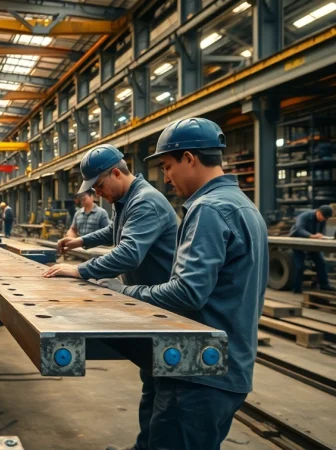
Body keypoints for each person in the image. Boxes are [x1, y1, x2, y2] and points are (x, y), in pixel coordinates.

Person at [99, 118, 269, 450]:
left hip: (198, 370)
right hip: (230, 364)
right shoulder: (244, 206)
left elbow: (187, 292)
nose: (166, 177)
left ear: (190, 158)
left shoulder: (209, 209)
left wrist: (122, 292)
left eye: (167, 166)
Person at [42, 144, 178, 450]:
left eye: (99, 186)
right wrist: (80, 240)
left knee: (166, 391)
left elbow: (128, 253)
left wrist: (78, 271)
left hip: (164, 306)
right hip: (145, 306)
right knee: (152, 387)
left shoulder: (145, 202)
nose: (98, 193)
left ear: (116, 172)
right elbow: (113, 232)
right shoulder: (126, 200)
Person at [290, 205, 334, 293]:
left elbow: (321, 231)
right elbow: (298, 229)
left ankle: (324, 285)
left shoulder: (323, 219)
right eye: (323, 217)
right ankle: (297, 288)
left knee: (321, 263)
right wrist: (312, 236)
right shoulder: (304, 216)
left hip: (312, 243)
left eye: (326, 219)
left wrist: (322, 236)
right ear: (318, 212)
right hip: (298, 242)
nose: (324, 220)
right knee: (300, 267)